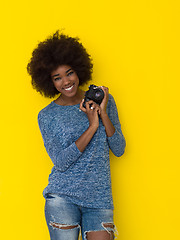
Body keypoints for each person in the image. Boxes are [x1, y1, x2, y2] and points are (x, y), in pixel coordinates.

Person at [27, 30, 126, 240]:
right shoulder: (47, 115)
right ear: (49, 82)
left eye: (69, 73)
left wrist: (103, 113)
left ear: (79, 69)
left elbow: (119, 149)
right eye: (57, 78)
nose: (66, 81)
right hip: (63, 198)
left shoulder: (102, 100)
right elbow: (61, 162)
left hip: (99, 199)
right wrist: (92, 126)